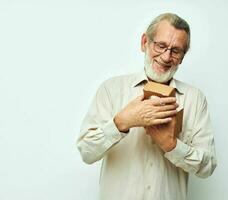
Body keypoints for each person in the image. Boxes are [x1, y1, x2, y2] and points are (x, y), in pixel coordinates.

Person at [77, 13, 217, 200]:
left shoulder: (195, 99)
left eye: (176, 51)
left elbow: (207, 167)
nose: (166, 57)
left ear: (182, 57)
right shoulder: (111, 89)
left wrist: (171, 145)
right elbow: (86, 152)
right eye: (161, 45)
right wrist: (121, 123)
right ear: (145, 42)